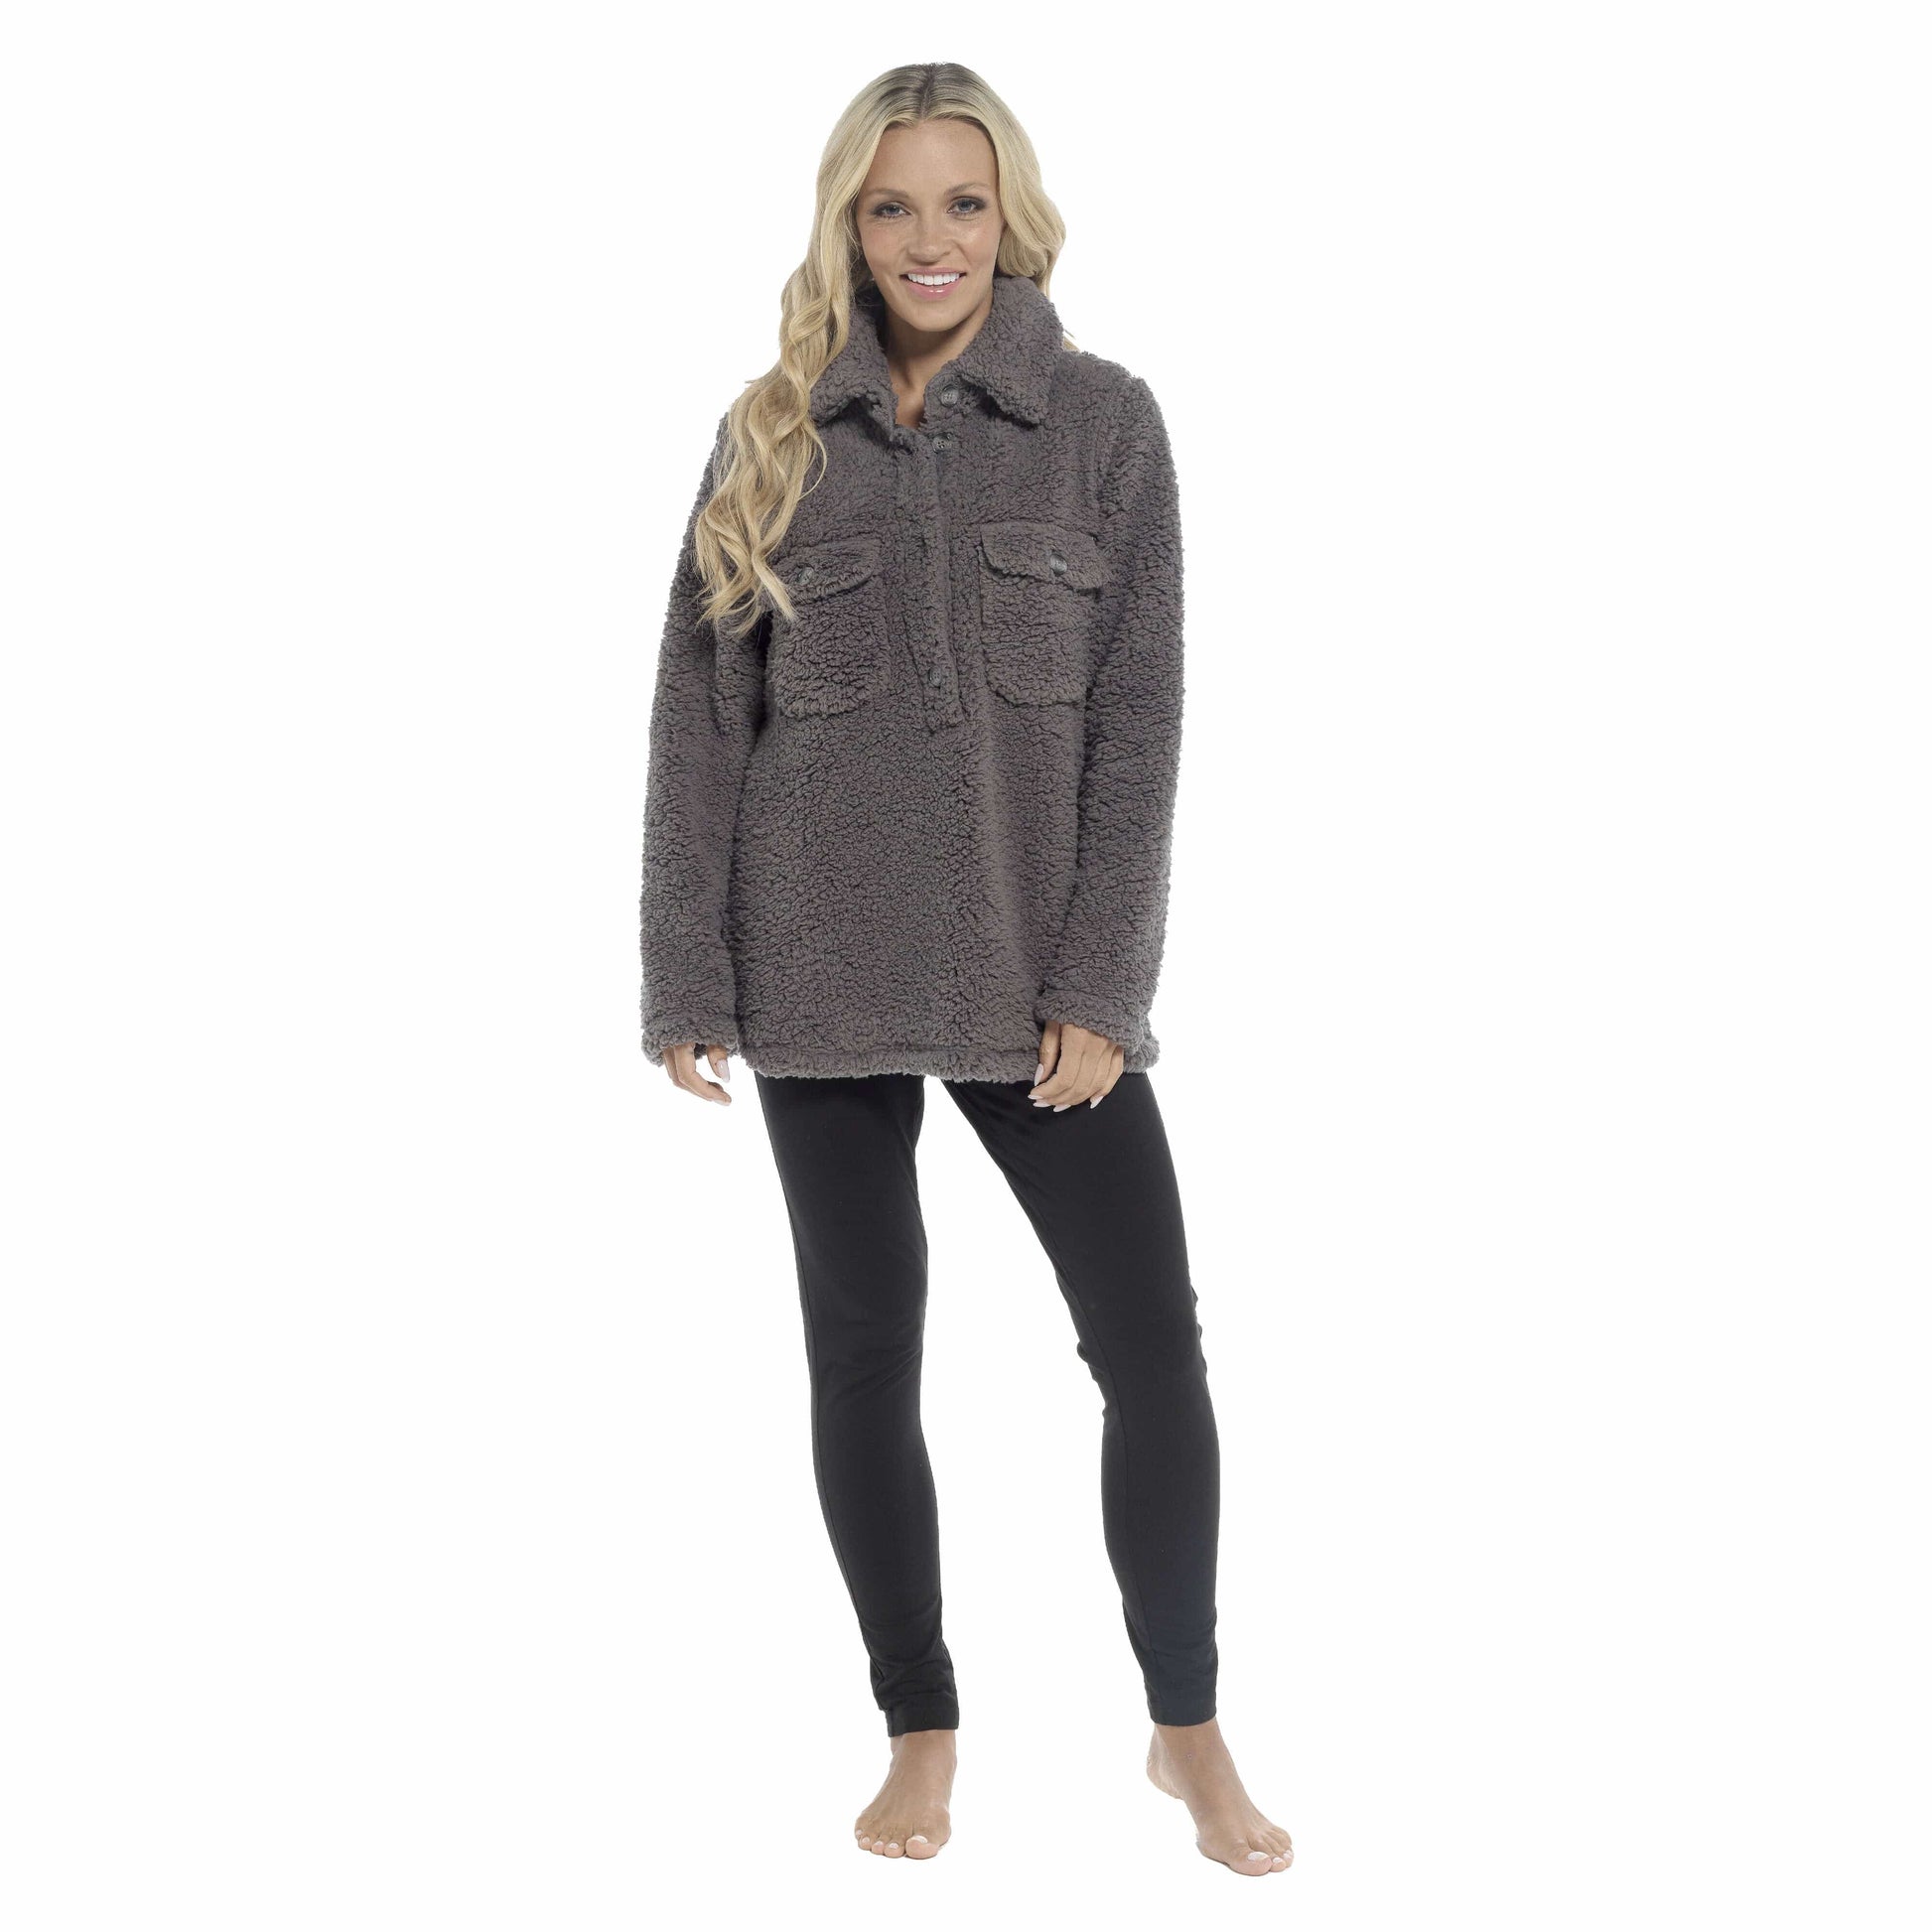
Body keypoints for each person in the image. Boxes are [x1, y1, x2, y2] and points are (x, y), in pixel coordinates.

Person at [638, 63, 1292, 1879]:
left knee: (1149, 1349)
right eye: (890, 206)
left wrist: (1102, 981)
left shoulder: (1105, 423)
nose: (928, 239)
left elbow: (1141, 724)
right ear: (846, 226)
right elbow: (699, 720)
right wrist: (685, 970)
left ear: (1009, 220)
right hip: (815, 966)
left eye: (960, 203)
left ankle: (1185, 1725)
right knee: (864, 1353)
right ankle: (917, 1721)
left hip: (1033, 980)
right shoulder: (771, 431)